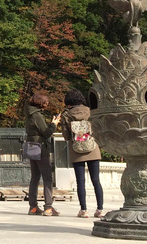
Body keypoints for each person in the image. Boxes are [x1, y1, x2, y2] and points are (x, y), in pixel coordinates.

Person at [60, 88, 104, 218]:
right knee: (96, 180)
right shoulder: (90, 111)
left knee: (81, 181)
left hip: (76, 149)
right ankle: (100, 209)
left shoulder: (66, 115)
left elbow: (66, 135)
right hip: (92, 148)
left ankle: (84, 210)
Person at [24, 91, 61, 217]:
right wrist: (54, 124)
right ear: (40, 103)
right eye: (45, 102)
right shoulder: (37, 116)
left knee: (35, 177)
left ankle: (33, 206)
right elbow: (46, 133)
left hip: (31, 146)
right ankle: (48, 207)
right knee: (47, 178)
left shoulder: (29, 114)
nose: (47, 104)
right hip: (40, 147)